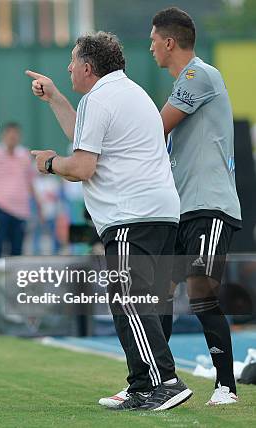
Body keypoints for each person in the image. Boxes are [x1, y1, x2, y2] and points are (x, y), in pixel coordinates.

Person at [27, 31, 192, 411]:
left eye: (72, 61)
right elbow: (85, 137)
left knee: (128, 300)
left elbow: (83, 166)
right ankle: (142, 386)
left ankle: (164, 381)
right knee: (142, 302)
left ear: (87, 67)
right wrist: (55, 97)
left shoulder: (98, 99)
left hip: (131, 215)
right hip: (160, 213)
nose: (68, 67)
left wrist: (50, 163)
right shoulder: (129, 93)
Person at [153, 7, 241, 406]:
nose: (152, 46)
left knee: (201, 290)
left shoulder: (198, 74)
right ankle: (159, 382)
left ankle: (226, 386)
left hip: (210, 205)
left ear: (170, 42)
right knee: (160, 291)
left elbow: (157, 127)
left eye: (154, 40)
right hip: (182, 208)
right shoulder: (183, 83)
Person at [0, 122, 39, 296]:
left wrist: (40, 208)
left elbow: (30, 183)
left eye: (16, 134)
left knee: (17, 253)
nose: (13, 138)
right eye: (10, 134)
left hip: (21, 211)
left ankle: (14, 291)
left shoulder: (24, 156)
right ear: (4, 135)